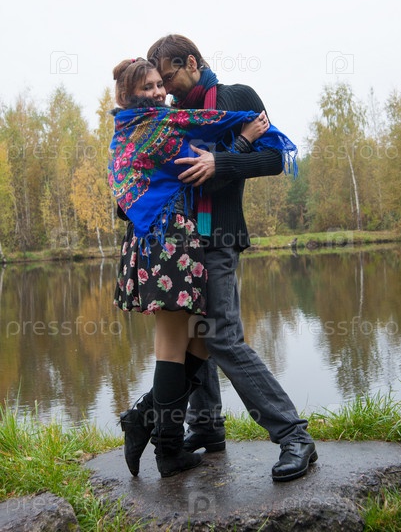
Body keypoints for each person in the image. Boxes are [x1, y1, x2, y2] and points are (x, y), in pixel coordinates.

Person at [145, 34, 318, 482]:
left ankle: (293, 434)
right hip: (181, 242)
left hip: (219, 235)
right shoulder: (173, 117)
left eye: (169, 78)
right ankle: (206, 427)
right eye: (159, 82)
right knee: (193, 333)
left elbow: (274, 157)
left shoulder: (237, 98)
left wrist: (220, 163)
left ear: (192, 62)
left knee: (221, 335)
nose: (166, 89)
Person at [109, 57, 271, 477]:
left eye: (158, 84)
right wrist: (244, 138)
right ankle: (167, 451)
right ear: (128, 95)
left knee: (200, 338)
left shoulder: (135, 127)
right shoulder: (156, 127)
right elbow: (200, 167)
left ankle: (144, 417)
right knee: (172, 344)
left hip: (173, 239)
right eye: (147, 87)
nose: (158, 92)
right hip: (164, 240)